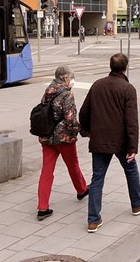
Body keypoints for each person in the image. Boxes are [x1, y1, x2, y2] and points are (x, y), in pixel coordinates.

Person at [79, 53, 140, 233]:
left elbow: (83, 112)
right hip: (121, 141)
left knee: (97, 178)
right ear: (125, 67)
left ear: (110, 66)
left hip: (99, 140)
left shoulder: (97, 85)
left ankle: (93, 220)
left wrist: (87, 131)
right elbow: (131, 121)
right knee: (131, 170)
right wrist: (132, 147)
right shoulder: (128, 89)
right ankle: (136, 204)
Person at [36, 66, 89, 221]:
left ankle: (42, 207)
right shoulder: (67, 94)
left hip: (47, 138)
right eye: (71, 77)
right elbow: (70, 118)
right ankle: (81, 190)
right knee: (73, 165)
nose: (72, 80)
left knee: (46, 171)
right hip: (63, 138)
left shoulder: (48, 91)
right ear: (65, 78)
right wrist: (81, 131)